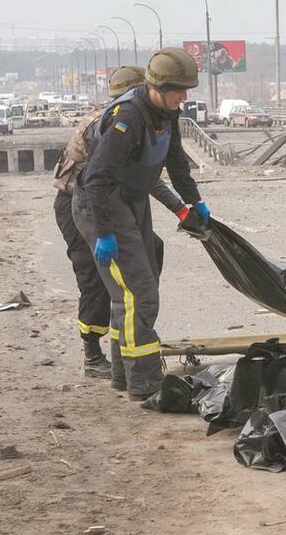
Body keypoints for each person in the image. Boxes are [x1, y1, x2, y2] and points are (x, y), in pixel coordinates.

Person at [72, 47, 210, 401]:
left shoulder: (168, 113)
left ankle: (123, 375)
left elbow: (176, 161)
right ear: (158, 87)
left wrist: (194, 201)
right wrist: (104, 233)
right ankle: (145, 382)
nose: (185, 97)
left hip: (131, 199)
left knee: (130, 294)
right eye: (180, 90)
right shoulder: (128, 117)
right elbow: (98, 178)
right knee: (139, 293)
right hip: (103, 202)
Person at [52, 65, 191, 380]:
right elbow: (109, 178)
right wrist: (105, 234)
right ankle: (94, 355)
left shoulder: (136, 117)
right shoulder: (116, 122)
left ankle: (124, 358)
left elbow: (144, 175)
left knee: (144, 259)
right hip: (83, 204)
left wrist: (181, 208)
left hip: (109, 202)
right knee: (98, 283)